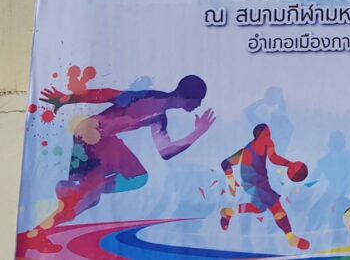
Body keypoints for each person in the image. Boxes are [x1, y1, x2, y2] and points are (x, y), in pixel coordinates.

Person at [16, 73, 215, 255]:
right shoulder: (150, 98)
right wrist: (65, 99)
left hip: (94, 137)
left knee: (93, 198)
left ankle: (35, 233)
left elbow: (166, 152)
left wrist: (197, 133)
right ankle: (78, 189)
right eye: (199, 100)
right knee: (131, 179)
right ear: (190, 97)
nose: (199, 105)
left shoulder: (160, 117)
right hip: (95, 134)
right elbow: (108, 94)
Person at [220, 124, 310, 250]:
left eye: (269, 134)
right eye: (266, 134)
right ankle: (290, 237)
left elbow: (273, 158)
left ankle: (227, 212)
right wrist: (231, 181)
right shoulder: (248, 150)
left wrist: (289, 164)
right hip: (252, 184)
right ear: (258, 137)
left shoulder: (266, 144)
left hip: (262, 182)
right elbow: (225, 163)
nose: (269, 137)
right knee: (275, 205)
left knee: (258, 208)